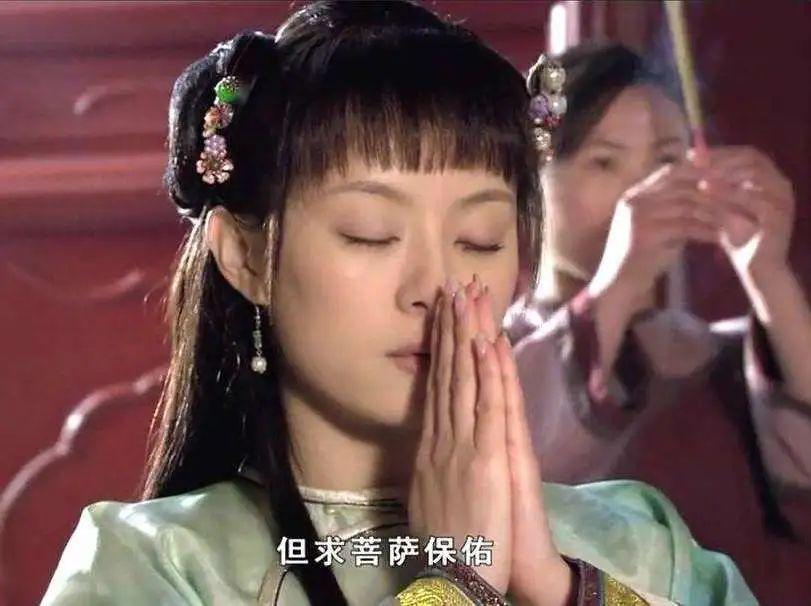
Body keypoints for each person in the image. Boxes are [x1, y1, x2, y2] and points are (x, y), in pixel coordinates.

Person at [42, 4, 757, 605]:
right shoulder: (155, 566)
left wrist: (556, 586)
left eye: (479, 240)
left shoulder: (638, 545)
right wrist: (457, 581)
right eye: (370, 233)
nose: (434, 286)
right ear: (246, 257)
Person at [504, 42, 811, 604]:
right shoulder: (497, 349)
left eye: (668, 161)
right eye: (605, 162)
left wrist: (769, 274)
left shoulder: (716, 356)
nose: (644, 188)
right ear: (532, 180)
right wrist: (617, 284)